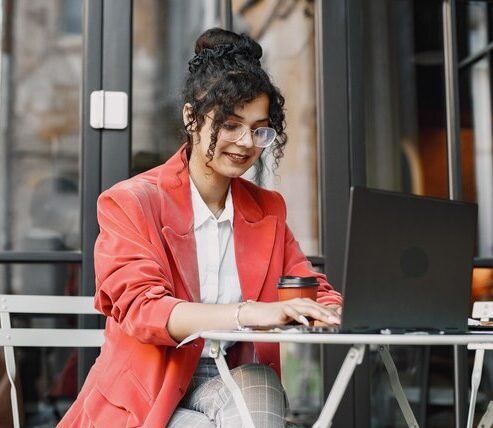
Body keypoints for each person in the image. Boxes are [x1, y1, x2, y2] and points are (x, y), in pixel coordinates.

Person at [58, 27, 342, 428]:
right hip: (149, 389)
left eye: (259, 129)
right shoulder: (131, 201)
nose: (245, 143)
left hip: (231, 378)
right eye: (230, 124)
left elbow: (307, 286)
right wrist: (251, 313)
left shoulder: (267, 208)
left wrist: (334, 310)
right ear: (191, 117)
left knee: (259, 393)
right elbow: (145, 310)